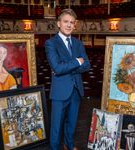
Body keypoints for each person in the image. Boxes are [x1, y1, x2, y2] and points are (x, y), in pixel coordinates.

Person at [45, 9, 91, 150]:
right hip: (60, 92)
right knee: (56, 127)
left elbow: (87, 65)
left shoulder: (78, 43)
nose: (69, 25)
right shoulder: (51, 43)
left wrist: (66, 66)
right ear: (59, 23)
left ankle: (69, 145)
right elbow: (57, 68)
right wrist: (77, 61)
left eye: (72, 22)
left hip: (76, 90)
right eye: (66, 21)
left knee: (72, 124)